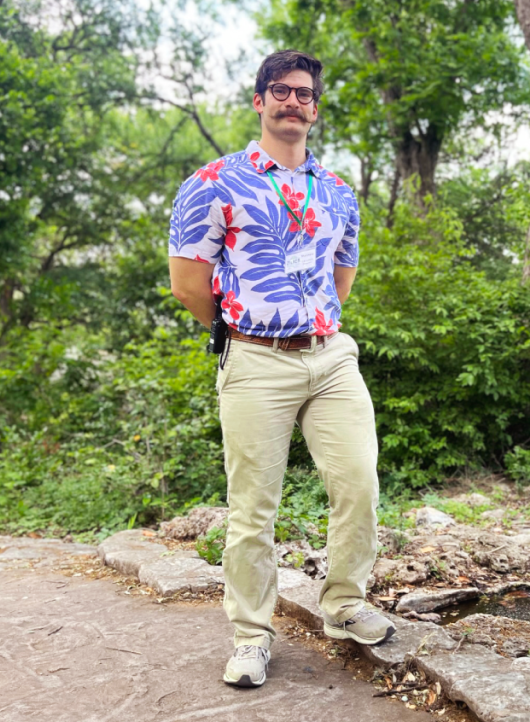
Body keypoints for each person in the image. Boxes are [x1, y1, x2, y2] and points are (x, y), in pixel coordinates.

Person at [168, 49, 396, 688]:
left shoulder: (339, 192)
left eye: (303, 94)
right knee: (253, 507)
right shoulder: (214, 182)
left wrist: (308, 320)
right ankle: (250, 636)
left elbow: (341, 277)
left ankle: (345, 605)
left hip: (329, 358)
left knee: (358, 481)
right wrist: (249, 325)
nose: (292, 101)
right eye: (281, 91)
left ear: (315, 109)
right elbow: (188, 282)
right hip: (254, 360)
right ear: (259, 101)